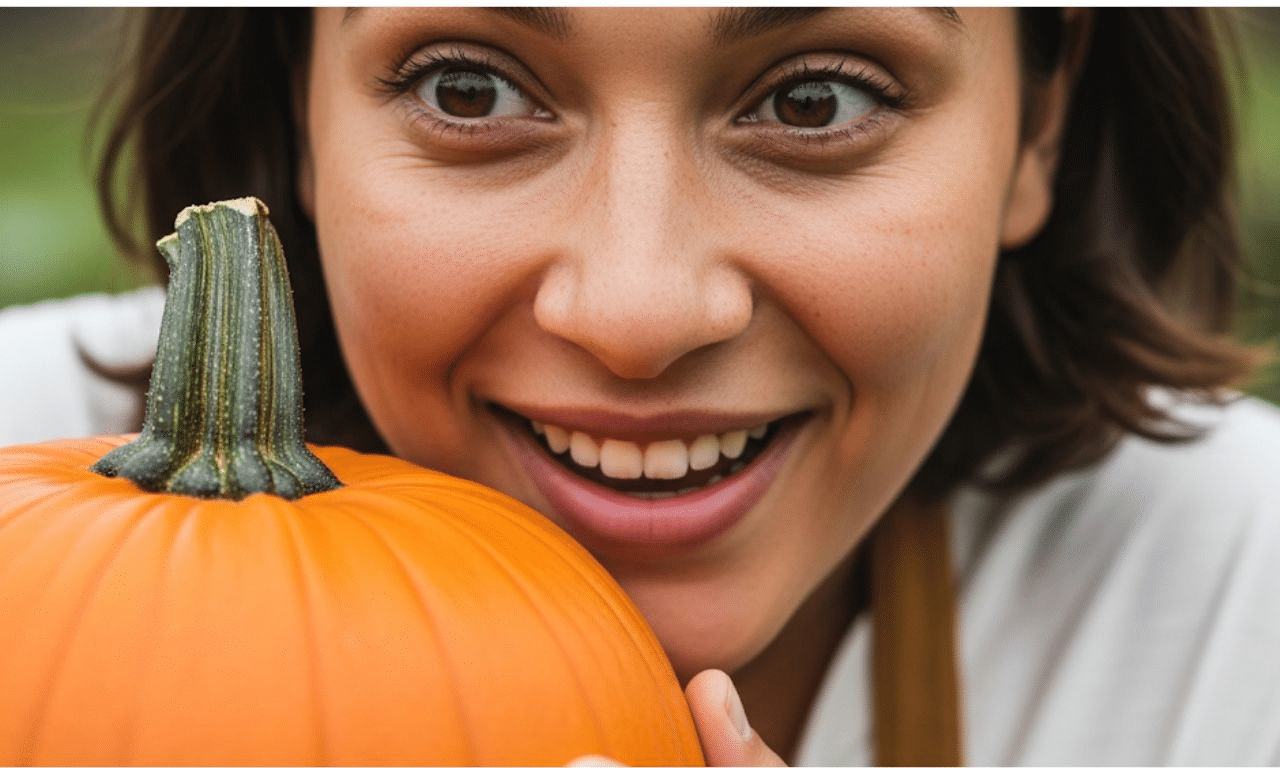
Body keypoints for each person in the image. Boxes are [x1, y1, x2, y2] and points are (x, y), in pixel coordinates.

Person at [3, 7, 1279, 765]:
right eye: (467, 88)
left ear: (1034, 128)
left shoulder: (1233, 615)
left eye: (815, 100)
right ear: (301, 115)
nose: (635, 314)